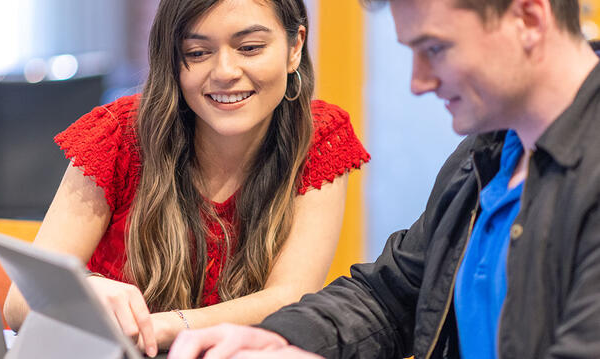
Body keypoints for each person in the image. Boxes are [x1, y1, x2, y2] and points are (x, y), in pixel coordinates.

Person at [166, 0, 600, 358]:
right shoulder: (486, 154)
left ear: (528, 19)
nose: (418, 82)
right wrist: (283, 338)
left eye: (435, 48)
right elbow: (388, 297)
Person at [2, 0, 370, 357]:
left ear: (294, 48)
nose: (225, 71)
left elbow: (289, 297)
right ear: (173, 60)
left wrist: (161, 328)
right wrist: (86, 289)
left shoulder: (320, 136)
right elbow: (19, 302)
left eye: (250, 47)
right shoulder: (117, 134)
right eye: (197, 53)